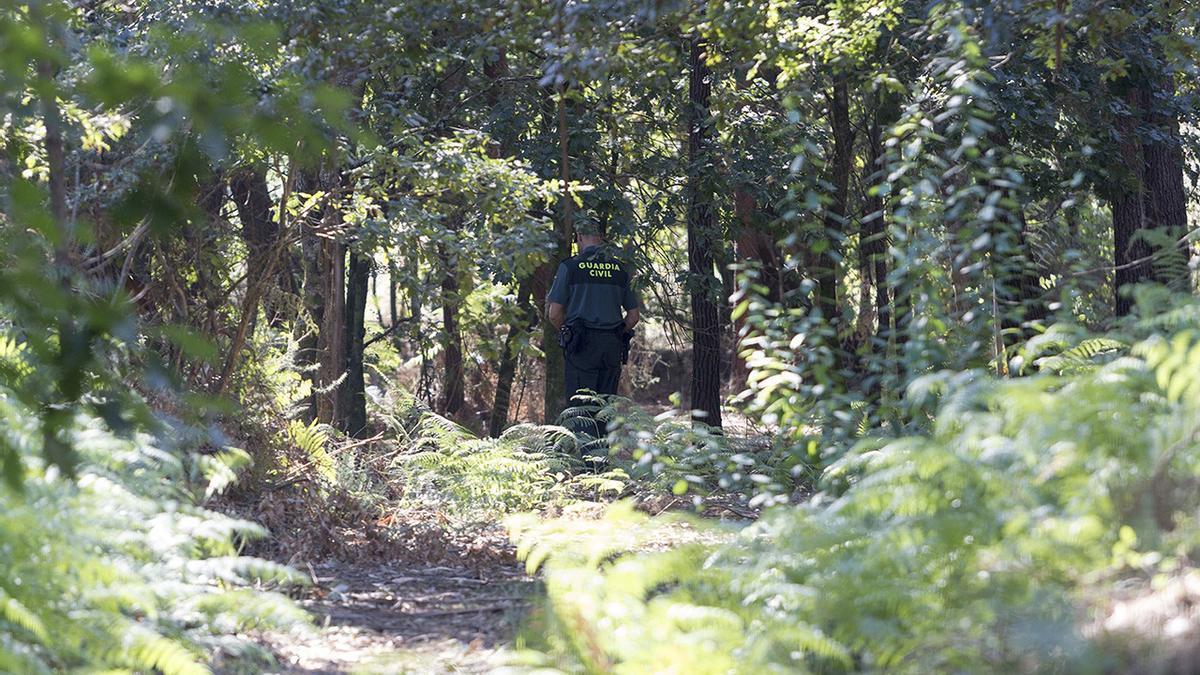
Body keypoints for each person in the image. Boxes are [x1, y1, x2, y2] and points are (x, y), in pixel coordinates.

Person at [546, 224, 640, 436]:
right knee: (605, 408)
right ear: (602, 237)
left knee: (582, 409)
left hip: (581, 346)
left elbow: (554, 313)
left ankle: (589, 465)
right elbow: (633, 316)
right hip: (612, 345)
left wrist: (567, 333)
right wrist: (618, 332)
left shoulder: (571, 267)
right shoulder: (620, 269)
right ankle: (602, 461)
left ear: (578, 236)